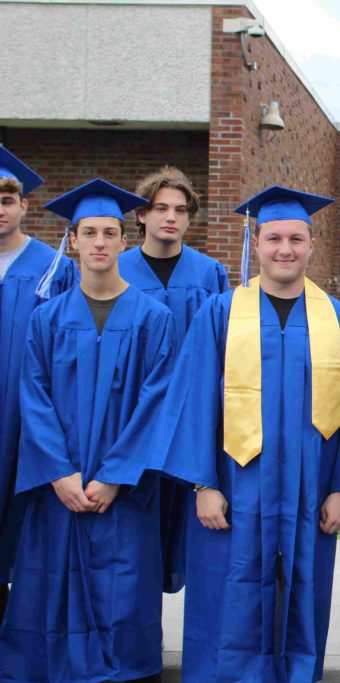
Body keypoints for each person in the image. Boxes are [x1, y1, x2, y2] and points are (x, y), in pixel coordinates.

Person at [153, 185, 340, 682]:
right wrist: (203, 484)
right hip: (233, 485)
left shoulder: (339, 318)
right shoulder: (219, 313)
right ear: (255, 243)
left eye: (296, 239)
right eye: (274, 238)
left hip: (311, 487)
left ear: (312, 245)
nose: (285, 249)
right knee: (227, 592)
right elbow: (193, 399)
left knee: (304, 590)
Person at [0, 178, 177, 683]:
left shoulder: (155, 318)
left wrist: (116, 476)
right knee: (51, 580)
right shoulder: (47, 319)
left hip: (124, 488)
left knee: (123, 585)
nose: (100, 242)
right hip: (59, 486)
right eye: (89, 233)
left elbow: (159, 402)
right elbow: (33, 398)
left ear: (124, 241)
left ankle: (125, 671)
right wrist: (59, 473)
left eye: (109, 233)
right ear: (72, 241)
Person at [120, 165, 228, 594]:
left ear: (189, 218)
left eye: (180, 210)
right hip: (134, 415)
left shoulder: (209, 273)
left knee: (191, 528)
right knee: (134, 530)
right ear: (141, 215)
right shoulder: (118, 269)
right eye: (160, 208)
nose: (171, 217)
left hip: (191, 415)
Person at [0, 147, 77, 619]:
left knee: (26, 517)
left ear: (24, 205)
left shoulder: (55, 268)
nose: (0, 209)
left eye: (7, 199)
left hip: (25, 417)